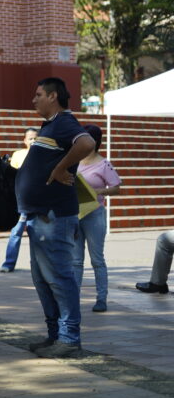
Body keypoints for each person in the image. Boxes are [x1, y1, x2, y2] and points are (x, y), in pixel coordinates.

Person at [17, 77, 96, 359]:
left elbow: (86, 142)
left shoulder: (63, 121)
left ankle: (69, 338)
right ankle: (55, 335)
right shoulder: (49, 126)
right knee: (43, 279)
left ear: (53, 96)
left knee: (60, 278)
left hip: (54, 217)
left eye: (39, 95)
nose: (34, 99)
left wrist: (62, 167)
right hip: (40, 216)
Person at [75, 124, 121, 313]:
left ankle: (101, 299)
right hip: (75, 213)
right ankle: (73, 298)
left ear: (94, 142)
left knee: (97, 259)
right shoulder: (73, 161)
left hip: (94, 214)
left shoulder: (104, 164)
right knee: (75, 261)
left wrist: (98, 191)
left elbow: (117, 188)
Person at [0, 128, 39, 272]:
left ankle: (37, 264)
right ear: (24, 140)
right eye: (30, 138)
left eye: (36, 138)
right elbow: (12, 176)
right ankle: (9, 263)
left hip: (36, 202)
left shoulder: (44, 155)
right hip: (21, 201)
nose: (33, 141)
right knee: (15, 233)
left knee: (36, 234)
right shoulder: (18, 155)